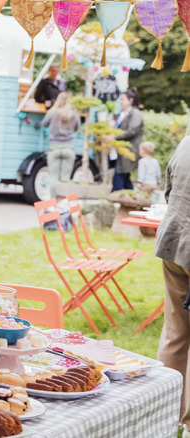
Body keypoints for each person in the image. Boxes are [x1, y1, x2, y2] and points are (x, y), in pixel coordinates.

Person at [155, 137, 190, 437]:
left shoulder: (186, 142)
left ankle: (165, 412)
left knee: (175, 332)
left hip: (174, 243)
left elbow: (169, 192)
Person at [40, 91, 80, 198]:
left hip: (54, 148)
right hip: (69, 148)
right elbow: (77, 128)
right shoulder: (74, 114)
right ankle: (62, 206)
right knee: (65, 179)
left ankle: (53, 204)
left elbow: (44, 123)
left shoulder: (53, 112)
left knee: (54, 178)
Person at [111, 88, 143, 192]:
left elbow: (132, 131)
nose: (120, 101)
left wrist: (114, 136)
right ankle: (131, 198)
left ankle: (115, 195)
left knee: (120, 175)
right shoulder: (120, 113)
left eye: (122, 99)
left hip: (129, 149)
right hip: (118, 150)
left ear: (130, 100)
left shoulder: (136, 114)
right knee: (125, 178)